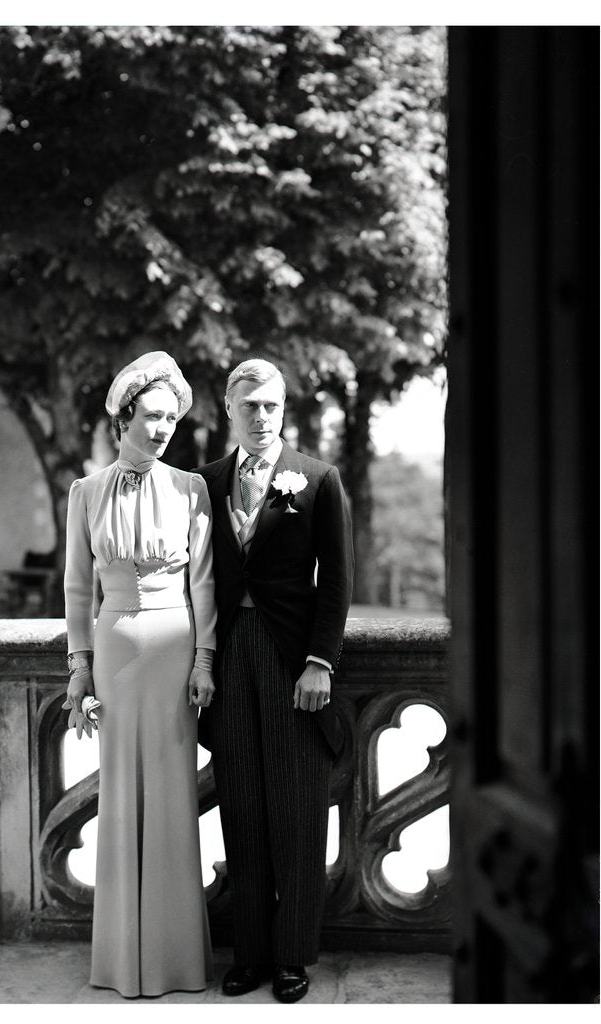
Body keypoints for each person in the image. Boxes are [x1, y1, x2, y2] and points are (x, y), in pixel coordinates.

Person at [196, 358, 354, 1003]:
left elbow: (338, 584)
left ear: (283, 410)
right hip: (228, 655)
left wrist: (320, 662)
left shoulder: (318, 481)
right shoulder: (203, 484)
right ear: (227, 411)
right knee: (242, 806)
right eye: (248, 406)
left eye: (270, 406)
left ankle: (292, 957)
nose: (260, 417)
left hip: (293, 661)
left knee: (295, 810)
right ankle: (250, 954)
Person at [63, 351, 217, 998]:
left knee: (173, 798)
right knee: (119, 794)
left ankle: (175, 960)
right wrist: (79, 668)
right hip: (115, 651)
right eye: (151, 416)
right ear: (125, 415)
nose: (161, 429)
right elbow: (76, 589)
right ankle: (123, 959)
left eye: (171, 420)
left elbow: (203, 580)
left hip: (175, 645)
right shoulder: (85, 492)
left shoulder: (191, 488)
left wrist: (206, 659)